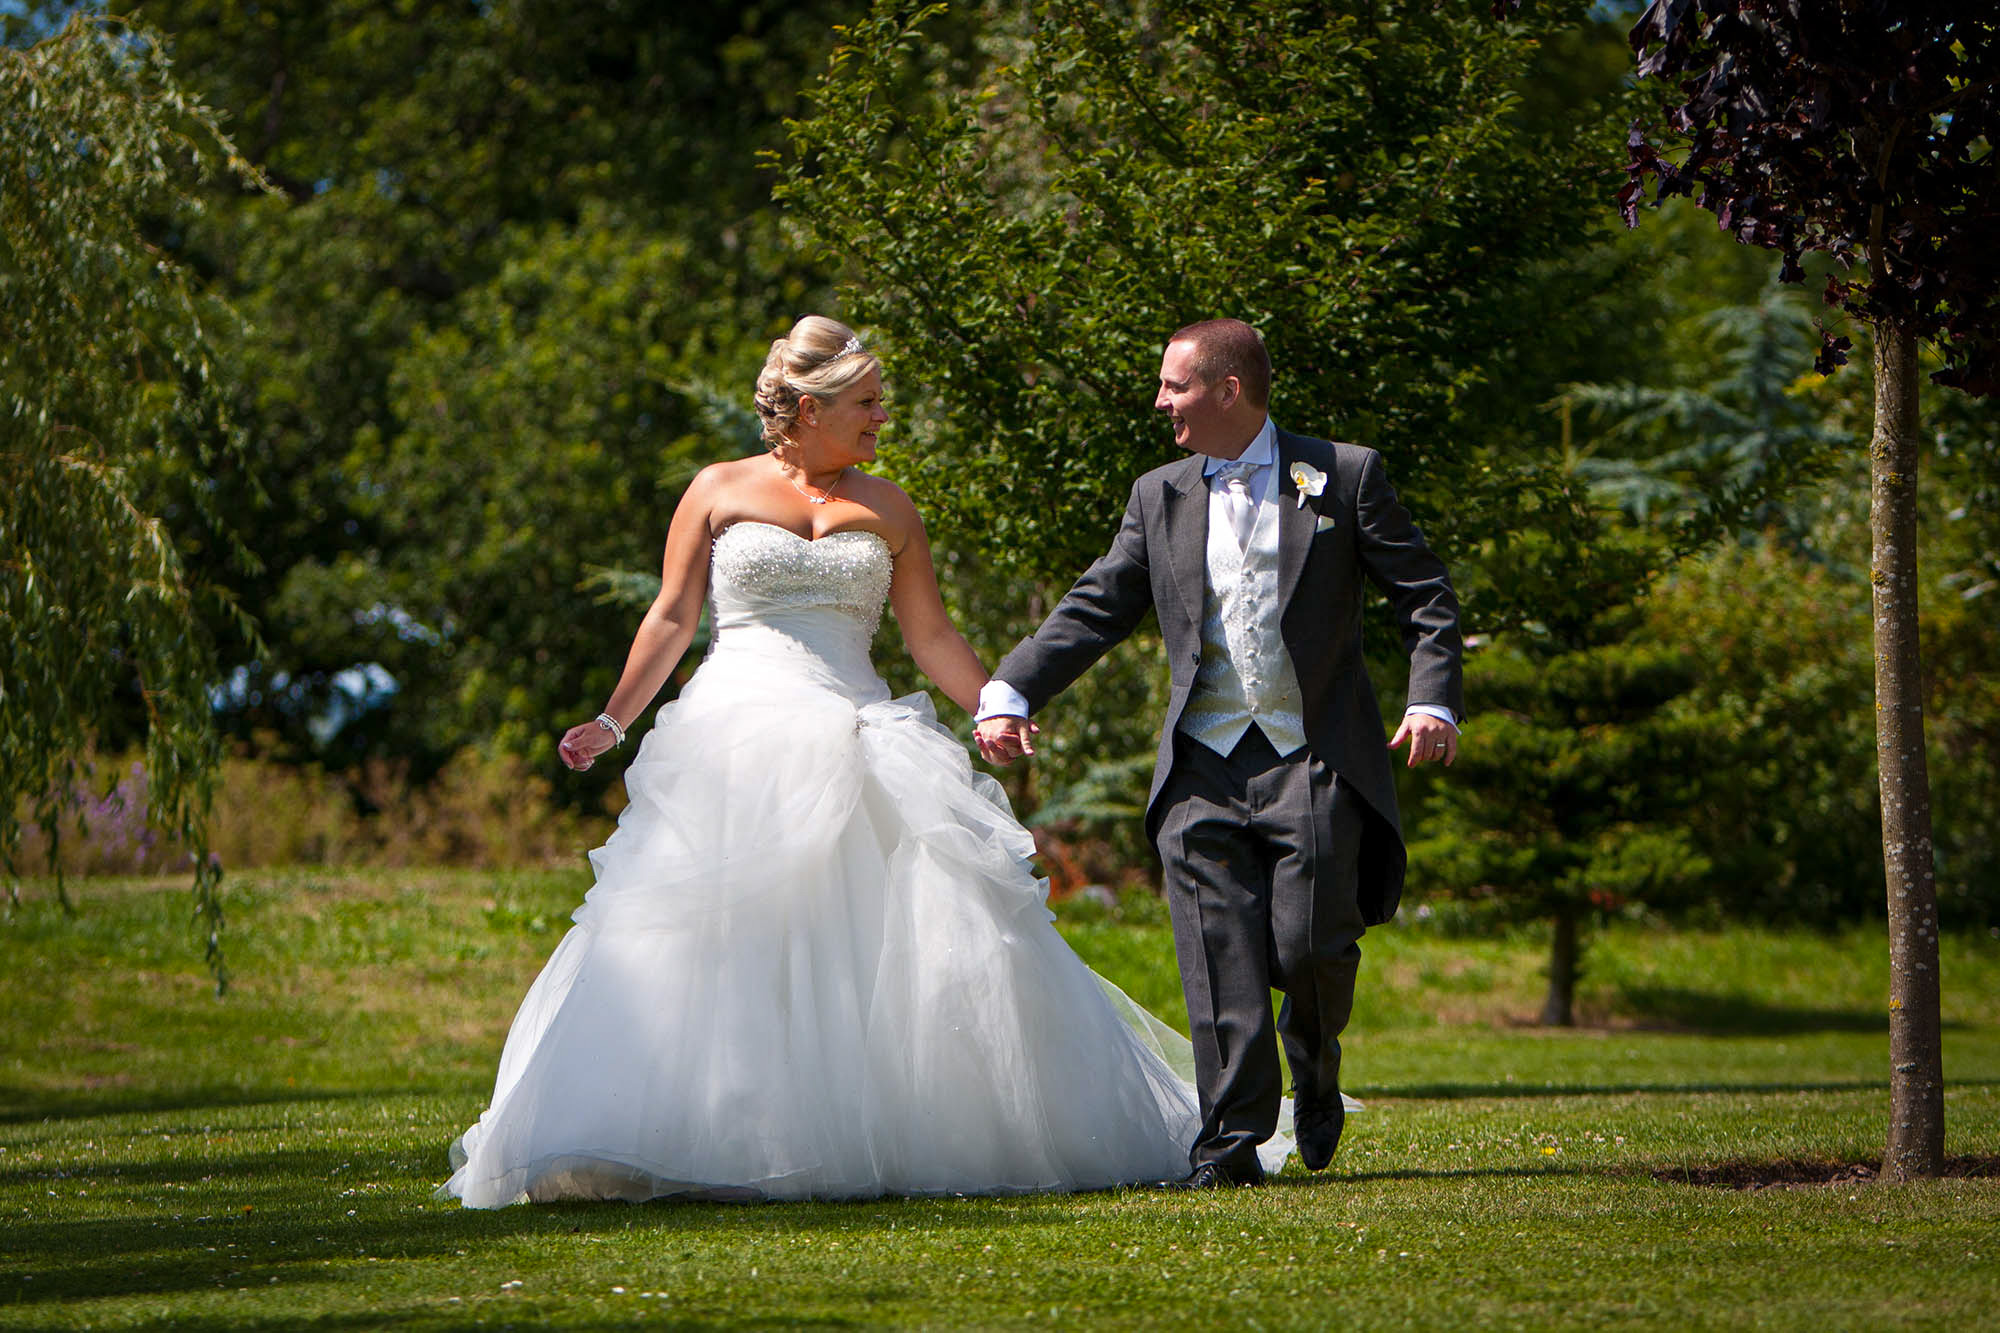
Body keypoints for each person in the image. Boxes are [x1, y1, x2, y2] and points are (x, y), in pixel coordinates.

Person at [439, 316, 1310, 1208]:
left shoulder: (891, 508)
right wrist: (611, 719)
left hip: (861, 727)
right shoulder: (717, 489)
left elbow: (928, 634)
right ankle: (697, 1130)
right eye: (866, 402)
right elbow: (670, 616)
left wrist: (993, 705)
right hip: (735, 735)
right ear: (808, 408)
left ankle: (897, 1130)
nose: (881, 417)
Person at [977, 319, 1463, 1189]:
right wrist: (1012, 687)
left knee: (1310, 946)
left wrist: (1430, 697)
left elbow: (1424, 593)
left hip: (1310, 755)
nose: (1160, 402)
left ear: (1227, 390)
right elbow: (1096, 605)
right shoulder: (1157, 494)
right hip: (1201, 762)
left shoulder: (1344, 475)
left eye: (1175, 385)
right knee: (1218, 957)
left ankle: (1315, 1062)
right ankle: (1231, 1144)